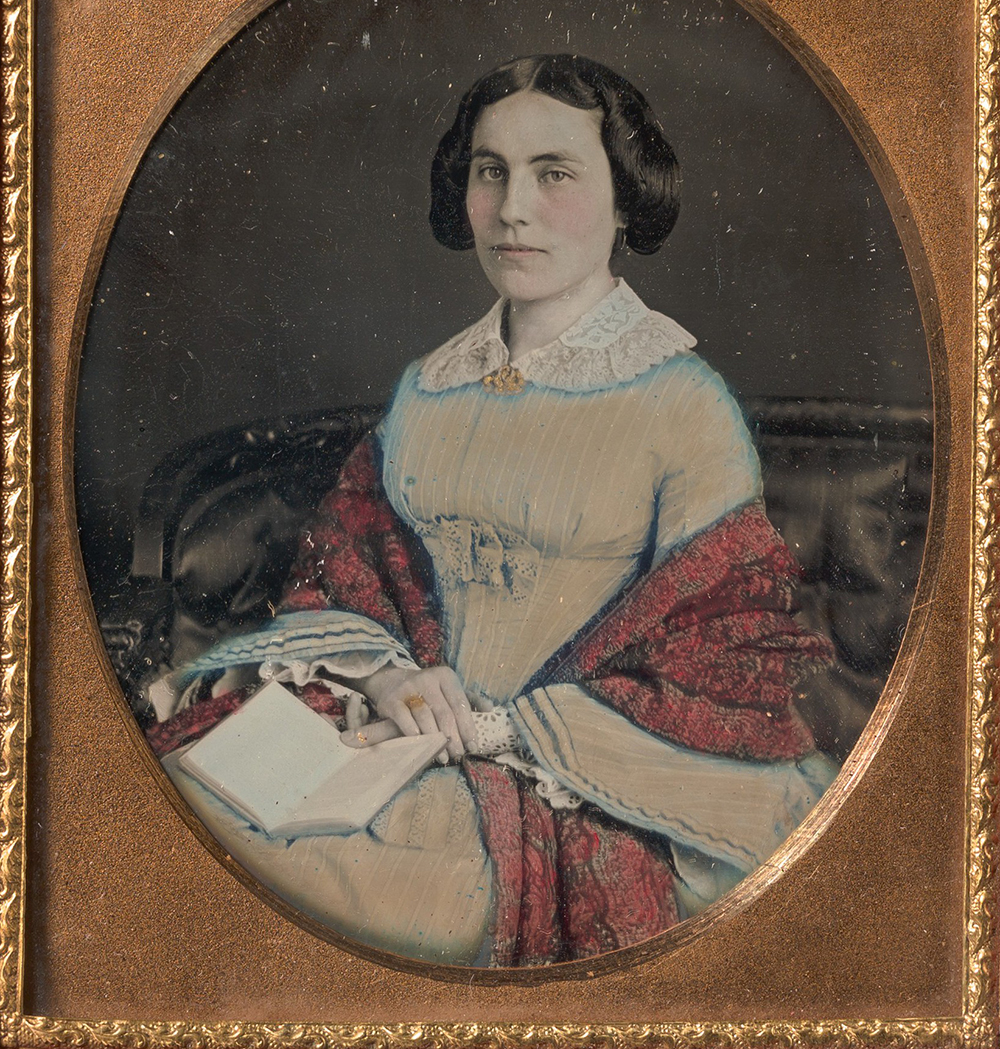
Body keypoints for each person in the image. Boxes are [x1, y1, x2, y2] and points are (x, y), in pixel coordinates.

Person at [147, 55, 837, 968]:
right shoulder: (430, 388)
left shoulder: (686, 405)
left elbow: (718, 652)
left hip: (587, 775)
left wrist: (499, 730)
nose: (514, 208)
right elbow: (352, 566)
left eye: (554, 173)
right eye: (490, 170)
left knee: (351, 900)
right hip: (401, 734)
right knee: (177, 813)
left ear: (625, 200)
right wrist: (392, 679)